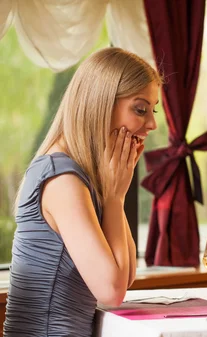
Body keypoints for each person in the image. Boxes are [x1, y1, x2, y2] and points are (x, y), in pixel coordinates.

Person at [4, 47, 161, 337]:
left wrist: (117, 194)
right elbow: (111, 292)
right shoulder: (62, 179)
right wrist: (114, 198)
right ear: (100, 104)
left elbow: (125, 278)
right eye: (140, 110)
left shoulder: (83, 174)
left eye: (153, 110)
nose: (152, 124)